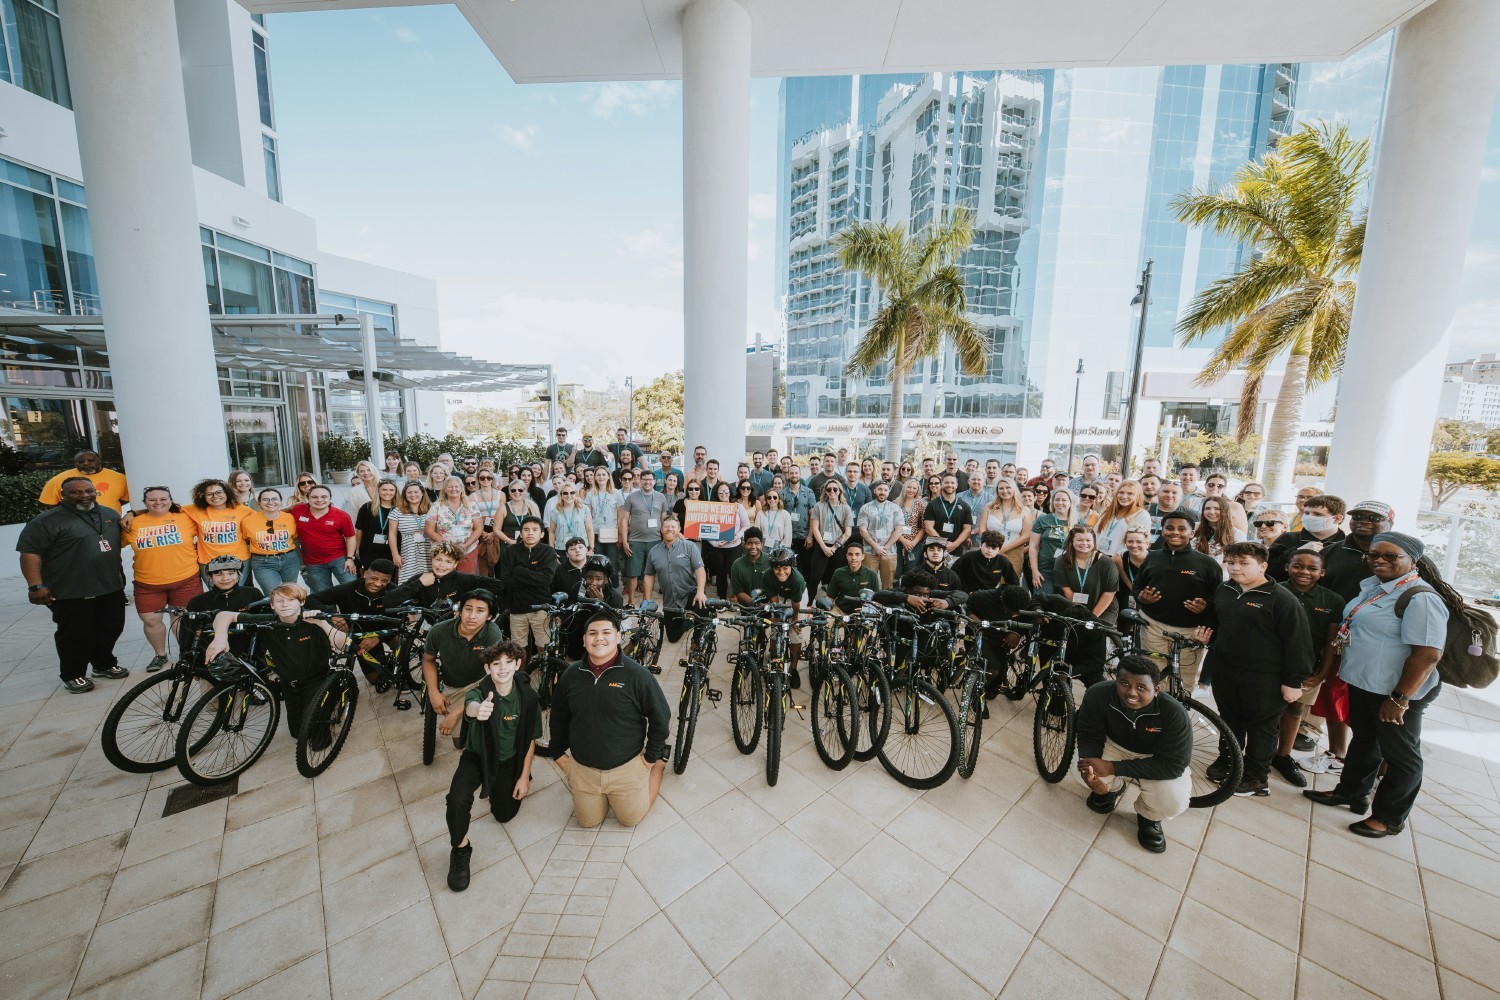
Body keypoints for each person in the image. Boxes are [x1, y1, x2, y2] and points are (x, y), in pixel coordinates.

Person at [1305, 532, 1452, 838]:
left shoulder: (1420, 597)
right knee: (1365, 740)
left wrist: (1399, 699)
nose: (1379, 561)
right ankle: (1352, 792)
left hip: (1396, 691)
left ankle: (1389, 818)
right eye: (1373, 555)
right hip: (1365, 683)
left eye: (1390, 556)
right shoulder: (1375, 588)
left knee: (1401, 755)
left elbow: (1427, 655)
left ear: (1412, 560)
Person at [1196, 541, 1312, 797]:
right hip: (1226, 669)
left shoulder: (1281, 600)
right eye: (1231, 562)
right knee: (1229, 720)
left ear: (1263, 566)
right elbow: (1218, 621)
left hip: (1265, 678)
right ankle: (1229, 762)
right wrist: (1208, 636)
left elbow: (1298, 643)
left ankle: (1256, 777)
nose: (1235, 568)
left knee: (1261, 728)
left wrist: (1293, 681)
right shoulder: (1225, 589)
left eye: (1244, 563)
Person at [547, 609, 671, 828]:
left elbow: (661, 717)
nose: (599, 638)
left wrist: (650, 759)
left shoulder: (638, 675)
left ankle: (659, 766)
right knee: (587, 822)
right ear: (584, 640)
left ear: (618, 637)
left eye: (606, 632)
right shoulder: (571, 675)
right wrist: (557, 754)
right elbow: (558, 717)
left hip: (628, 766)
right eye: (592, 633)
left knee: (630, 820)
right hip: (583, 769)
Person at [445, 640, 542, 892]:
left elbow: (530, 740)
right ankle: (460, 848)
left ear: (518, 664)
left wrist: (524, 777)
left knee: (504, 815)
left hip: (508, 760)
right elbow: (471, 705)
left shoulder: (529, 697)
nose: (502, 668)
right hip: (478, 756)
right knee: (456, 799)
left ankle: (504, 784)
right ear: (488, 668)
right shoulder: (480, 691)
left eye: (508, 662)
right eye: (496, 663)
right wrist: (478, 710)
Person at [18, 476, 131, 693]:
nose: (84, 495)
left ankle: (103, 664)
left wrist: (135, 512)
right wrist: (35, 586)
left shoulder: (108, 514)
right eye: (76, 492)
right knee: (76, 634)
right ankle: (73, 674)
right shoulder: (46, 521)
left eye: (89, 491)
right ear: (63, 495)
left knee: (111, 627)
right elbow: (30, 554)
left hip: (109, 585)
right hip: (71, 590)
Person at [1076, 655, 1194, 853]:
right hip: (1113, 744)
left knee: (1173, 798)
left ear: (1156, 690)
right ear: (1115, 681)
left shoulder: (1174, 713)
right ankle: (1109, 791)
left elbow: (1172, 766)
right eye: (1124, 683)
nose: (1131, 692)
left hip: (1154, 756)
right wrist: (1091, 772)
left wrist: (1113, 767)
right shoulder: (1098, 694)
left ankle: (1149, 816)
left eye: (1141, 687)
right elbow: (1088, 735)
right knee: (1078, 768)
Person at [204, 583, 348, 740]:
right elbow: (224, 615)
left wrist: (321, 623)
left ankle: (333, 697)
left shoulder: (315, 619)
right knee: (298, 734)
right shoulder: (269, 621)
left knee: (318, 739)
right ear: (272, 605)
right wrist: (220, 638)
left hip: (319, 680)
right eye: (279, 601)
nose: (285, 604)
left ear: (301, 602)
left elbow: (344, 645)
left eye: (291, 600)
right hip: (290, 684)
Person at [1270, 546, 1343, 787]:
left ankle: (1283, 756)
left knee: (1294, 711)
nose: (1304, 572)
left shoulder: (1332, 600)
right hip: (1270, 664)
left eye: (1312, 568)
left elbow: (1332, 643)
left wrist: (1322, 673)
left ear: (1322, 572)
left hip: (1306, 669)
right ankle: (1257, 754)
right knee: (1265, 711)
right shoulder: (1272, 590)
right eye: (1298, 566)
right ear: (1287, 567)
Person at [1131, 510, 1221, 691]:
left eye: (1182, 529)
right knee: (1153, 675)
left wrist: (1205, 606)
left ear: (1192, 533)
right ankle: (1154, 712)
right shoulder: (1152, 557)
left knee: (1183, 680)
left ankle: (1178, 715)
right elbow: (1138, 586)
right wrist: (1142, 597)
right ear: (1162, 531)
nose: (1175, 532)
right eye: (1169, 528)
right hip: (1153, 627)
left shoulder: (1207, 564)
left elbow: (1218, 596)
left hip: (1190, 632)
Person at [123, 486, 202, 671]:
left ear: (171, 500)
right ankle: (160, 655)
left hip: (185, 579)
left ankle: (185, 652)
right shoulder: (133, 523)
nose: (158, 502)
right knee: (151, 620)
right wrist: (131, 513)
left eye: (163, 499)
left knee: (181, 618)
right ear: (145, 503)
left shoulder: (186, 517)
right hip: (148, 582)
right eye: (152, 499)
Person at [422, 589, 507, 741]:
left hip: (483, 684)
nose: (472, 616)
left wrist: (455, 715)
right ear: (460, 611)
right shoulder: (438, 631)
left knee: (490, 733)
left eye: (480, 611)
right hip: (453, 686)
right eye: (468, 609)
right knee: (459, 741)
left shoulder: (492, 634)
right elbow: (428, 660)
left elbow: (494, 677)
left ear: (489, 616)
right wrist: (433, 692)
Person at [307, 558, 397, 688]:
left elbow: (402, 619)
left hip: (384, 632)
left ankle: (402, 669)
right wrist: (332, 615)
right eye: (374, 578)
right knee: (375, 680)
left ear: (389, 580)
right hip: (360, 636)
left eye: (384, 581)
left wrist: (378, 637)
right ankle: (383, 660)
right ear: (365, 574)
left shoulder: (394, 591)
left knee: (401, 640)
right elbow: (311, 599)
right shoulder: (348, 589)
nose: (378, 584)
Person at [642, 514, 708, 650]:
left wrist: (700, 592)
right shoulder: (654, 552)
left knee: (703, 606)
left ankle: (697, 638)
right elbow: (648, 576)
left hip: (690, 593)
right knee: (672, 637)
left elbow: (700, 570)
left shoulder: (689, 546)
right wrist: (647, 601)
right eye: (666, 526)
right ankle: (688, 621)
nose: (669, 529)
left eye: (673, 526)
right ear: (661, 529)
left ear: (679, 530)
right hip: (670, 599)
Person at [497, 516, 559, 651]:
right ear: (520, 533)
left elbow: (546, 579)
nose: (530, 533)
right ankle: (521, 672)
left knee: (543, 647)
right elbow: (506, 581)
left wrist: (518, 570)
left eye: (535, 530)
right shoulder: (510, 551)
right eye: (526, 529)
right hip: (517, 607)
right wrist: (534, 576)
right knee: (518, 649)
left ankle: (541, 671)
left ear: (542, 534)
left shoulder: (548, 552)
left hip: (541, 607)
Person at [1319, 500, 1393, 601]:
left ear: (1390, 523)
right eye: (1357, 517)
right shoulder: (1328, 552)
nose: (1364, 521)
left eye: (1374, 518)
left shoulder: (1401, 557)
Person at [290, 484, 358, 591]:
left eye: (324, 497)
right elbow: (279, 513)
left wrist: (350, 558)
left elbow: (350, 537)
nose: (319, 500)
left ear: (330, 499)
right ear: (308, 498)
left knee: (352, 589)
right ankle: (329, 609)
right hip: (313, 563)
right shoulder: (298, 511)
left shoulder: (341, 515)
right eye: (314, 497)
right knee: (323, 594)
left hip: (340, 559)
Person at [388, 541, 494, 608]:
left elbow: (497, 585)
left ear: (455, 564)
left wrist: (467, 604)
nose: (442, 565)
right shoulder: (421, 578)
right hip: (428, 626)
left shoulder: (463, 578)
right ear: (432, 559)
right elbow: (389, 600)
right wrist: (418, 583)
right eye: (438, 559)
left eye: (448, 562)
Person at [185, 478, 253, 583]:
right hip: (209, 562)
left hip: (237, 560)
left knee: (236, 594)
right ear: (203, 496)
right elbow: (170, 510)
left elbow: (262, 519)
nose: (215, 496)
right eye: (209, 494)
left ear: (226, 493)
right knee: (216, 596)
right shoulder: (194, 510)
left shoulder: (242, 510)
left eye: (219, 492)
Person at [619, 471, 671, 605]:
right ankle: (630, 602)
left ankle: (647, 601)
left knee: (650, 573)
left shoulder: (660, 497)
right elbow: (624, 520)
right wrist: (625, 541)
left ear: (654, 481)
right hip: (636, 541)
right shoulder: (632, 497)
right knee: (632, 573)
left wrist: (666, 539)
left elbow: (664, 519)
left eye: (650, 479)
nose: (647, 482)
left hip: (655, 541)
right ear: (640, 480)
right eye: (644, 479)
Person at [1268, 494, 1346, 581]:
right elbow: (1268, 570)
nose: (1309, 517)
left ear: (1337, 518)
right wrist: (1296, 552)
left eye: (1317, 514)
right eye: (1307, 513)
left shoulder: (1347, 544)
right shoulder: (1288, 538)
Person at [37, 450, 130, 514]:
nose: (85, 463)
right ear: (75, 463)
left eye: (90, 460)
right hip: (74, 527)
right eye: (80, 461)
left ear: (100, 461)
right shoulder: (58, 479)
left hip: (110, 524)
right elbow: (49, 503)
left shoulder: (120, 478)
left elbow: (125, 500)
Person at [806, 479, 854, 595]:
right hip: (822, 545)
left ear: (839, 491)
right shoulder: (819, 506)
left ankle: (832, 601)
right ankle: (810, 601)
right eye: (829, 489)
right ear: (826, 492)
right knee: (815, 576)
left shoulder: (845, 508)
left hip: (837, 547)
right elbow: (815, 528)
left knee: (835, 575)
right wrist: (824, 547)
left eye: (835, 489)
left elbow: (848, 532)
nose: (832, 491)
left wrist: (833, 547)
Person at [856, 479, 903, 589]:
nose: (882, 492)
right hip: (869, 552)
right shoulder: (865, 508)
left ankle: (885, 605)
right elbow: (862, 530)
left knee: (888, 585)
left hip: (889, 553)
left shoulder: (895, 508)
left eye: (885, 490)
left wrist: (885, 547)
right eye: (880, 489)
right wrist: (876, 547)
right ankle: (867, 605)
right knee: (867, 584)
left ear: (888, 492)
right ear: (874, 491)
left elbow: (899, 529)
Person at [1028, 488, 1075, 595]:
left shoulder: (1077, 521)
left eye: (1064, 500)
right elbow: (1033, 546)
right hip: (1044, 570)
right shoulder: (1043, 519)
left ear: (1070, 502)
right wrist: (1035, 571)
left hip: (1067, 571)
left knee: (1062, 605)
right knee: (1043, 601)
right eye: (1057, 500)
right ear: (1052, 502)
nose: (1060, 503)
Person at [391, 481, 433, 585]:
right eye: (409, 492)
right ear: (405, 494)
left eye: (416, 492)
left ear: (422, 493)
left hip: (429, 551)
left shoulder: (432, 509)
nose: (413, 495)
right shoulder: (397, 511)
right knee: (408, 582)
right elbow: (392, 534)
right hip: (408, 552)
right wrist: (395, 554)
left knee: (430, 580)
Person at [924, 472, 974, 560]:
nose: (949, 485)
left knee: (953, 573)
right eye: (946, 482)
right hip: (935, 551)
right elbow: (928, 527)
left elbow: (967, 529)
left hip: (956, 551)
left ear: (957, 485)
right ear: (941, 484)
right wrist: (942, 543)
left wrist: (955, 544)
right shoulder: (932, 504)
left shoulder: (965, 506)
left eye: (952, 483)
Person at [1095, 479, 1150, 558]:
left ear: (1137, 496)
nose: (1124, 496)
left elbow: (1139, 542)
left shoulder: (1142, 515)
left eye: (1130, 493)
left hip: (1120, 559)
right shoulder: (1108, 511)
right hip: (1098, 555)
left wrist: (1117, 557)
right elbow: (1096, 532)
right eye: (1121, 492)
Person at [952, 530, 1020, 593]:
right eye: (987, 546)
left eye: (994, 548)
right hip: (967, 594)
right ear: (981, 545)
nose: (990, 551)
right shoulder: (969, 557)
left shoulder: (1002, 561)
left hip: (989, 596)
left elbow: (1014, 583)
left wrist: (1000, 593)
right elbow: (952, 575)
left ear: (999, 549)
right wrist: (963, 591)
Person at [354, 478, 399, 570]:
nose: (387, 492)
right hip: (369, 549)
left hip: (391, 550)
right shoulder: (367, 507)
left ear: (395, 492)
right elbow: (360, 530)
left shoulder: (399, 509)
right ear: (378, 491)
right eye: (384, 490)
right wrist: (357, 548)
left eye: (391, 490)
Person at [826, 541, 881, 615]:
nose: (853, 558)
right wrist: (825, 609)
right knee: (827, 623)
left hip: (862, 613)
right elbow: (830, 597)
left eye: (857, 554)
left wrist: (866, 610)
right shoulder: (838, 572)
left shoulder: (872, 575)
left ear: (862, 556)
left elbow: (876, 600)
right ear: (846, 556)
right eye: (850, 554)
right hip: (840, 611)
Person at [546, 480, 593, 553]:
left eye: (572, 493)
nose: (569, 496)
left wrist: (591, 548)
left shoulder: (584, 509)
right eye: (565, 493)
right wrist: (552, 549)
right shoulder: (555, 511)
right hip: (561, 548)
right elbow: (552, 532)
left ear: (576, 494)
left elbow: (589, 529)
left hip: (580, 548)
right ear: (561, 495)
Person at [728, 528, 772, 605]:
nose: (753, 546)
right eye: (749, 543)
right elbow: (738, 591)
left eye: (757, 543)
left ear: (762, 544)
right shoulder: (737, 564)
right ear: (744, 544)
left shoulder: (770, 562)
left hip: (768, 607)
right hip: (745, 608)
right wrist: (755, 604)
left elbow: (775, 588)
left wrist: (768, 605)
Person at [1113, 529, 1152, 610]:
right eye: (1130, 541)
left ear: (1147, 544)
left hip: (1148, 600)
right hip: (1124, 600)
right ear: (1125, 543)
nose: (1134, 545)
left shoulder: (1156, 560)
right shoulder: (1119, 559)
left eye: (1139, 542)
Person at [1193, 496, 1241, 561]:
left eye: (1217, 509)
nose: (1212, 512)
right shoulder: (1194, 527)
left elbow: (1237, 559)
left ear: (1225, 511)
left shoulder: (1237, 534)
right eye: (1207, 508)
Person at [756, 483, 793, 550]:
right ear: (766, 500)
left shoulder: (785, 514)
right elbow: (757, 532)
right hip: (763, 545)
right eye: (769, 497)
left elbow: (788, 536)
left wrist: (781, 550)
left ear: (779, 499)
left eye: (775, 497)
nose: (772, 499)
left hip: (779, 546)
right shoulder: (761, 513)